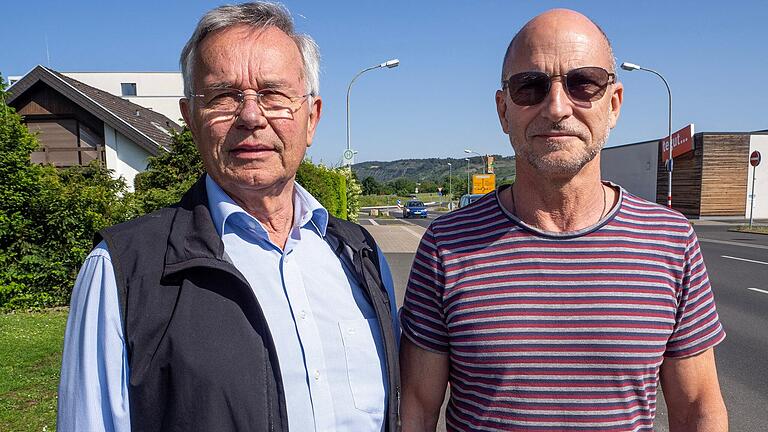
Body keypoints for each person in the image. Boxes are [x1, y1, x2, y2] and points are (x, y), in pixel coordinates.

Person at [57, 3, 400, 431]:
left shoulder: (360, 254)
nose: (252, 117)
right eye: (223, 97)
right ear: (190, 119)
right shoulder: (121, 271)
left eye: (274, 95)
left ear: (311, 119)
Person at [399, 9, 727, 432]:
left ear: (614, 104)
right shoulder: (446, 245)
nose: (557, 108)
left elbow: (699, 407)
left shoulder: (671, 241)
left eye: (583, 83)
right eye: (530, 86)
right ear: (503, 110)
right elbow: (418, 410)